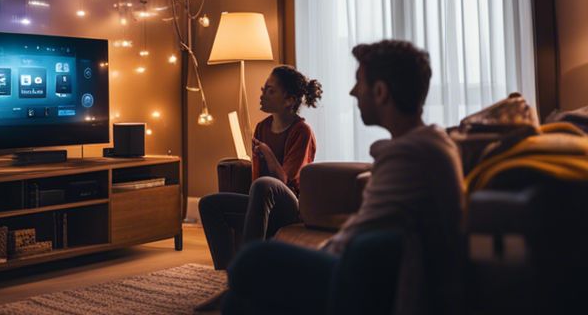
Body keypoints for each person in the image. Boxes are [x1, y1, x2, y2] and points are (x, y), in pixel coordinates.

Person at [221, 40, 465, 314]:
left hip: (369, 278)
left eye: (359, 82)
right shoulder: (427, 143)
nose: (353, 92)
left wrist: (317, 257)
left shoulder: (410, 155)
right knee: (241, 298)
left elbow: (363, 233)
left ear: (381, 92)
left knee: (252, 261)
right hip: (366, 265)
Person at [198, 65, 323, 271]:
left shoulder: (302, 131)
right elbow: (256, 180)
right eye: (264, 89)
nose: (263, 94)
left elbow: (284, 180)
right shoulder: (262, 127)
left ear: (289, 100)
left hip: (290, 206)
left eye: (271, 90)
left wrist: (267, 153)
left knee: (266, 185)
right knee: (209, 204)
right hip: (261, 200)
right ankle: (225, 274)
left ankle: (248, 271)